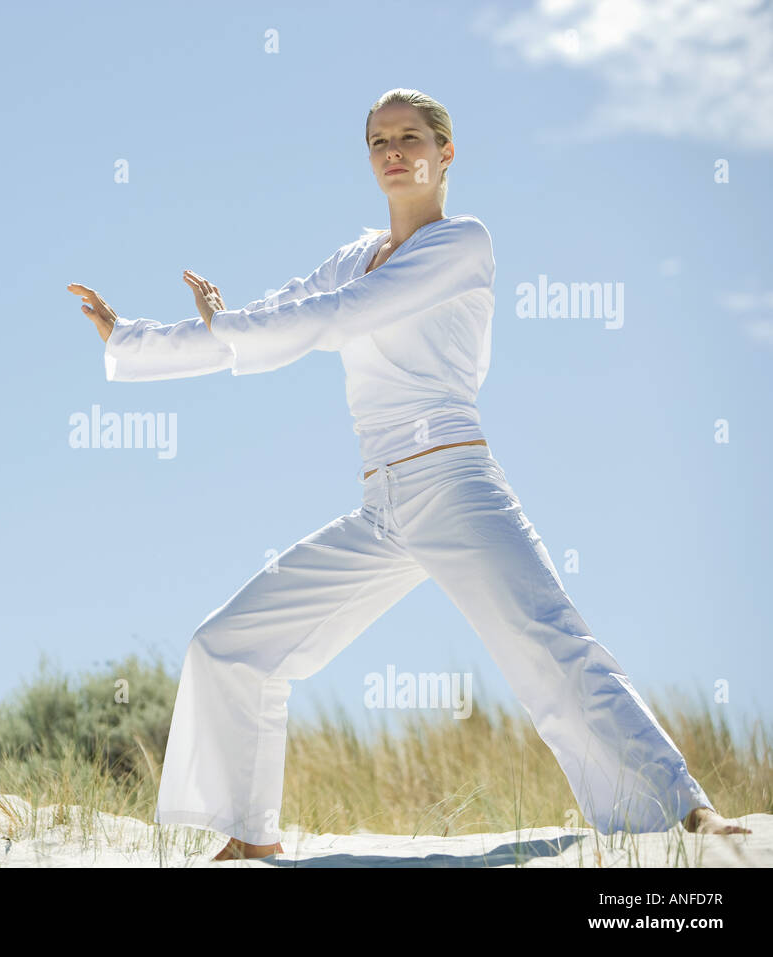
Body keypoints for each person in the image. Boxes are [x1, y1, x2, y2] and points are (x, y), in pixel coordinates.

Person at [67, 88, 750, 862]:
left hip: (455, 484)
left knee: (549, 644)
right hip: (382, 505)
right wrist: (132, 339)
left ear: (445, 151)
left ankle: (685, 815)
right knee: (229, 644)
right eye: (378, 141)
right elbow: (274, 318)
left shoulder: (462, 244)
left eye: (410, 137)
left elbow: (340, 315)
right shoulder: (351, 256)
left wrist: (235, 326)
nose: (394, 152)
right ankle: (250, 836)